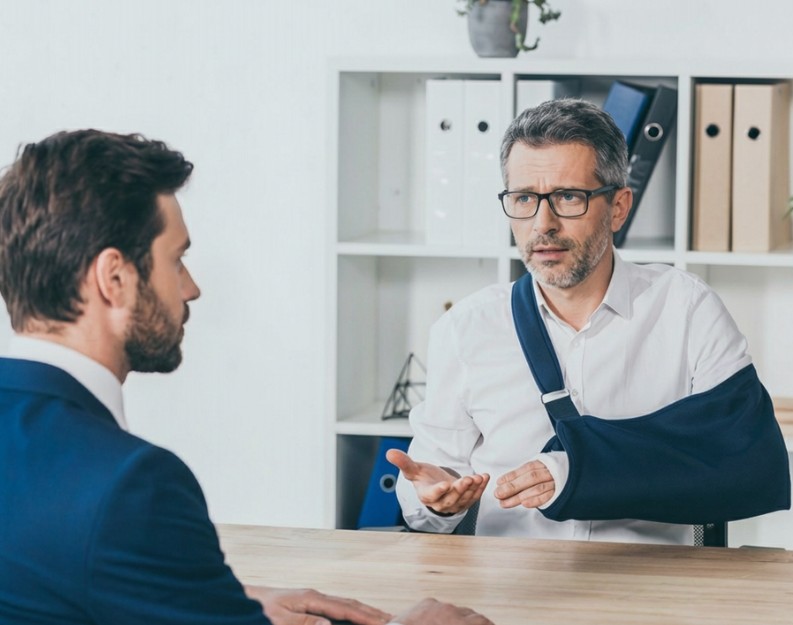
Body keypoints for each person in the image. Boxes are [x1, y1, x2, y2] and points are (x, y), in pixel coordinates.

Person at [0, 129, 492, 625]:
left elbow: (46, 580)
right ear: (115, 278)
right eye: (177, 260)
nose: (192, 289)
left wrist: (210, 601)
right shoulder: (131, 484)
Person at [390, 98, 789, 544]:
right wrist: (434, 498)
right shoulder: (465, 328)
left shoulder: (686, 310)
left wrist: (572, 469)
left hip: (651, 594)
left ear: (618, 207)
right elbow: (427, 492)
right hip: (509, 592)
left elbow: (748, 461)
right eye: (524, 198)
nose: (544, 223)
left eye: (568, 197)